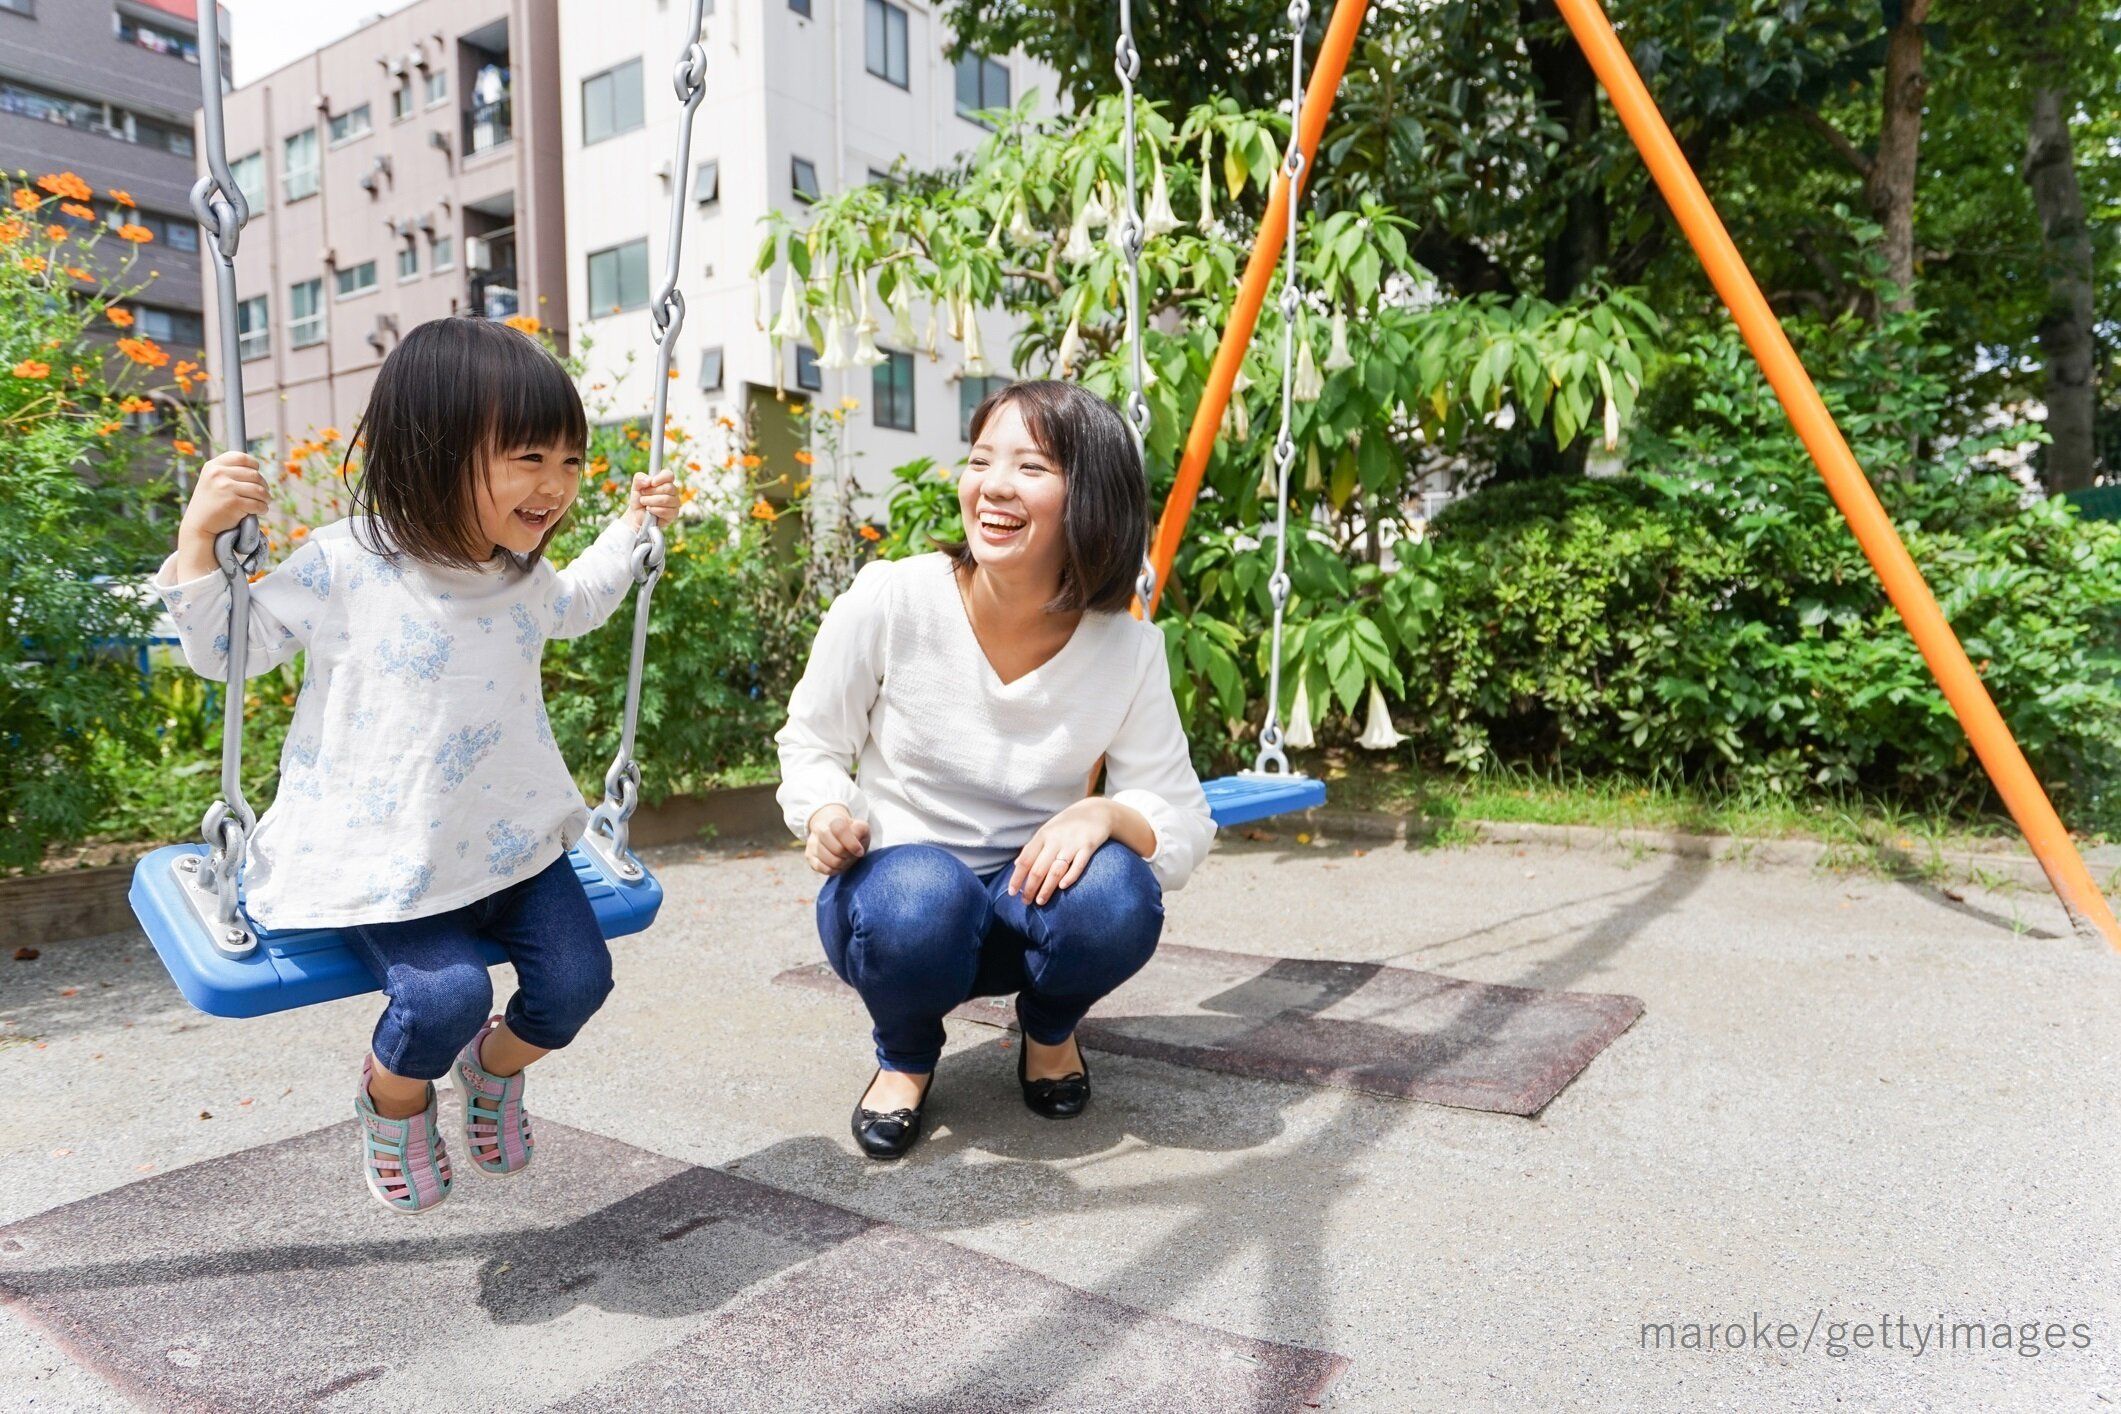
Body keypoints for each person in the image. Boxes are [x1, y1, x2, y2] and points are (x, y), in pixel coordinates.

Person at [155, 317, 679, 1212]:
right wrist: (201, 539)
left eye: (569, 461)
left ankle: (491, 1069)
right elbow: (227, 651)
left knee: (578, 983)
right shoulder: (344, 563)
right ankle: (393, 1102)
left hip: (513, 842)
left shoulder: (518, 575)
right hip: (385, 850)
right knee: (442, 996)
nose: (555, 487)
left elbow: (585, 598)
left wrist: (633, 527)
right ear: (433, 452)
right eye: (528, 458)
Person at [777, 380, 1216, 1161]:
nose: (994, 485)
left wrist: (1104, 814)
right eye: (981, 459)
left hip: (1026, 908)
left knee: (1119, 894)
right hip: (897, 911)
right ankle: (905, 1054)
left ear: (1093, 499)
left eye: (1031, 467)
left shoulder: (1127, 647)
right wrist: (822, 813)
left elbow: (1181, 818)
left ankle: (1048, 1032)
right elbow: (810, 743)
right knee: (921, 893)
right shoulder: (892, 598)